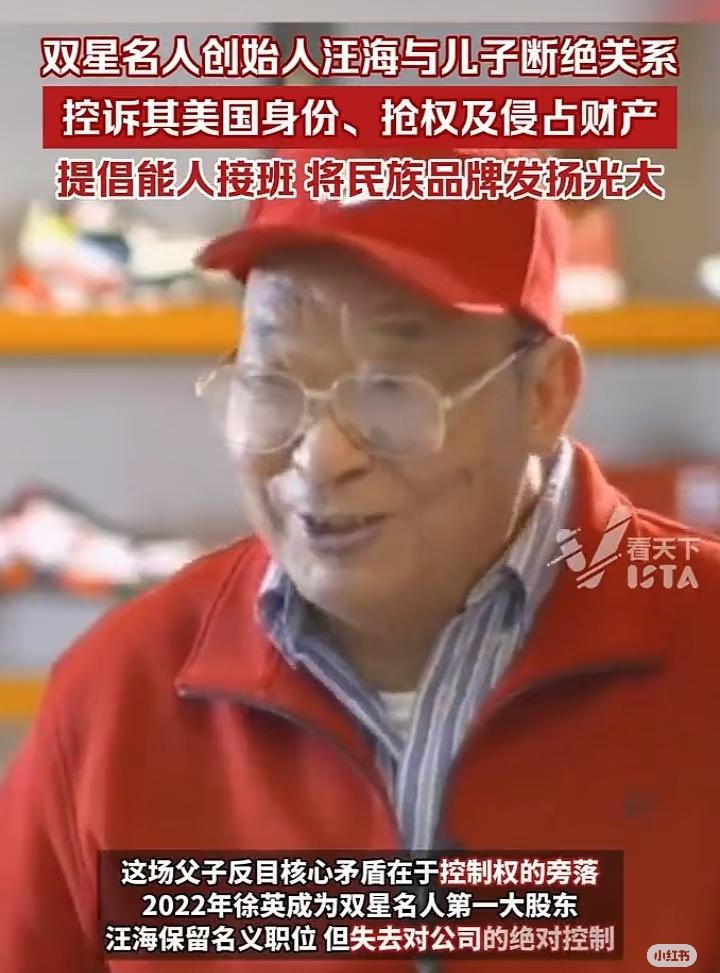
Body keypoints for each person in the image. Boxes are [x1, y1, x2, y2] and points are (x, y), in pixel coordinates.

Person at [1, 147, 719, 972]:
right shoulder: (115, 702)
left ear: (547, 394)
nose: (321, 456)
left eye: (390, 389)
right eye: (271, 382)